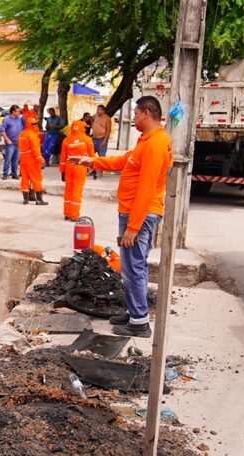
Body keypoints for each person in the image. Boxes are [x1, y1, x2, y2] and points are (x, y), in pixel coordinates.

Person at [74, 96, 172, 338]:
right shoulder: (145, 141)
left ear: (147, 113)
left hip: (139, 214)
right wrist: (94, 161)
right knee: (130, 267)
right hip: (132, 212)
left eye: (137, 114)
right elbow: (123, 161)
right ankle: (133, 311)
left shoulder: (156, 144)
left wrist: (133, 227)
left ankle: (139, 322)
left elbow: (147, 188)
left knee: (134, 268)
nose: (134, 119)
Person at [59, 120, 95, 221]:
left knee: (68, 190)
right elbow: (91, 155)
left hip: (69, 166)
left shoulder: (67, 140)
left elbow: (63, 157)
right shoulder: (87, 140)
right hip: (80, 166)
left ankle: (67, 213)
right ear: (83, 128)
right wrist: (92, 167)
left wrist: (62, 170)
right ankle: (74, 215)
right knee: (77, 190)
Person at [18, 116, 48, 205]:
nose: (36, 125)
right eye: (35, 124)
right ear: (32, 125)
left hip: (23, 160)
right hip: (32, 160)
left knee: (25, 179)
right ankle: (39, 200)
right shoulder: (33, 136)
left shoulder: (22, 134)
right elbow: (36, 150)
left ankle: (26, 199)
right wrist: (41, 160)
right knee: (36, 179)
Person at [1, 105, 24, 180]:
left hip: (18, 142)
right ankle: (5, 174)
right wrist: (7, 139)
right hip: (10, 143)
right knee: (8, 158)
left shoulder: (20, 119)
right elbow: (2, 130)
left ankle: (14, 174)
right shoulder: (6, 119)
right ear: (13, 112)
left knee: (16, 159)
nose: (19, 113)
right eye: (18, 111)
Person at [91, 105, 112, 179]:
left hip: (102, 139)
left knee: (102, 157)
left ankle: (100, 172)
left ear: (103, 111)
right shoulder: (95, 116)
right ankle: (93, 170)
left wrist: (105, 140)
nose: (98, 111)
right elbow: (91, 120)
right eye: (97, 109)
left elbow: (108, 131)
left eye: (99, 110)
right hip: (94, 138)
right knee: (91, 155)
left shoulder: (107, 119)